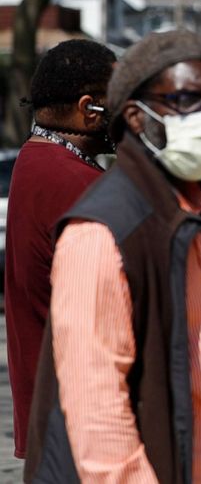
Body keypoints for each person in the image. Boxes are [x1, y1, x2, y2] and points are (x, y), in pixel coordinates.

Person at [25, 30, 201, 482]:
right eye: (189, 101)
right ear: (137, 116)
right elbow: (100, 423)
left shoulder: (194, 215)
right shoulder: (103, 232)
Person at [4, 39, 116, 460]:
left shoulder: (35, 161)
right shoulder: (77, 186)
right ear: (90, 109)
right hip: (85, 428)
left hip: (53, 425)